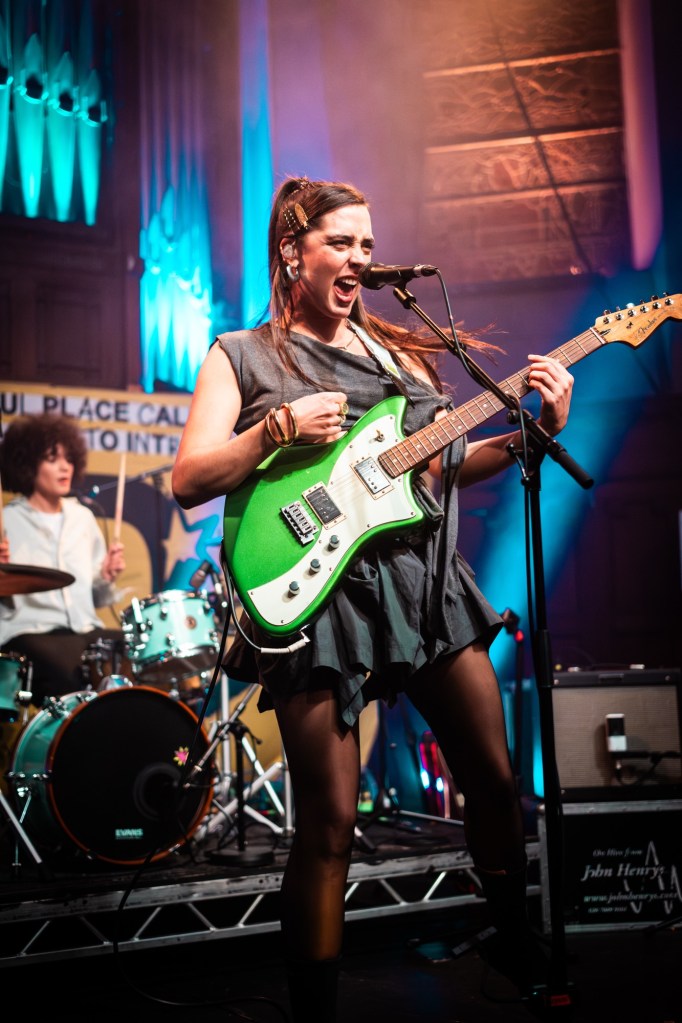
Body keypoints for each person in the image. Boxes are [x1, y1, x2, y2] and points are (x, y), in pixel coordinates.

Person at [171, 176, 574, 1021]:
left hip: (423, 584)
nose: (360, 258)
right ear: (293, 253)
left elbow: (441, 468)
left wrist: (534, 431)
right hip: (320, 600)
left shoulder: (397, 353)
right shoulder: (242, 354)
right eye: (341, 243)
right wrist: (275, 428)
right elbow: (189, 478)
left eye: (367, 244)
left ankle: (512, 938)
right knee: (329, 823)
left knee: (494, 778)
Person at [0, 412, 126, 709]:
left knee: (130, 653)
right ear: (28, 464)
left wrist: (105, 577)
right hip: (31, 632)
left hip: (84, 629)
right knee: (67, 670)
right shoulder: (6, 521)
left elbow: (95, 598)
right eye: (52, 459)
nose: (64, 466)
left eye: (69, 459)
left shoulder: (83, 518)